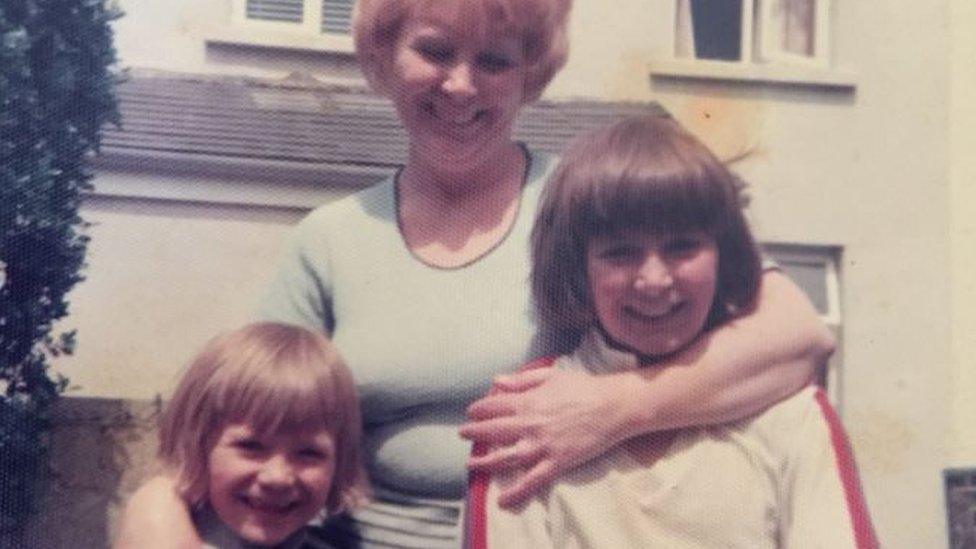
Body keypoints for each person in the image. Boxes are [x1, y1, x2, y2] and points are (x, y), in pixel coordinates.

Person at [124, 0, 834, 546]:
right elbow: (225, 424)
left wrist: (617, 408)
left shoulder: (590, 208)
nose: (461, 86)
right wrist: (152, 511)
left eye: (494, 60)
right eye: (433, 50)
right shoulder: (330, 239)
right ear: (383, 54)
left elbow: (797, 334)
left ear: (532, 71)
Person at [467, 116, 876, 548]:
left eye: (682, 247)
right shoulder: (524, 420)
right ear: (578, 269)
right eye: (620, 253)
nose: (654, 280)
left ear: (724, 255)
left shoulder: (790, 411)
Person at [113, 323, 369, 549]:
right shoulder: (163, 536)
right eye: (251, 446)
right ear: (196, 445)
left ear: (339, 462)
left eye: (309, 453)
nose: (278, 477)